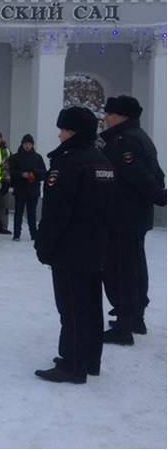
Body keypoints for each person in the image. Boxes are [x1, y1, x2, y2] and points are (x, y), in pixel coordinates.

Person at [34, 106, 115, 383]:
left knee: (71, 307)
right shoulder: (102, 160)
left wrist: (44, 245)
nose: (59, 134)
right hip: (96, 245)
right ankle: (90, 359)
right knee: (91, 304)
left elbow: (57, 211)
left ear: (73, 131)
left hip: (71, 247)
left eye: (63, 129)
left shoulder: (69, 162)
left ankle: (72, 364)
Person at [99, 95, 166, 344]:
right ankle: (135, 317)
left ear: (122, 116)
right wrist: (157, 194)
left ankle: (125, 325)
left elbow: (138, 176)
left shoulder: (123, 141)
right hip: (134, 215)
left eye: (110, 113)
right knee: (135, 266)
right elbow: (157, 173)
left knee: (120, 269)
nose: (106, 117)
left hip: (122, 215)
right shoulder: (142, 137)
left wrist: (159, 197)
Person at [8, 134, 46, 241]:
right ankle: (16, 234)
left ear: (32, 145)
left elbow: (44, 173)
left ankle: (34, 234)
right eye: (26, 144)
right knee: (18, 213)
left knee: (32, 214)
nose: (27, 146)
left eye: (29, 144)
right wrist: (21, 174)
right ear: (22, 144)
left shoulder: (38, 157)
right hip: (20, 189)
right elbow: (10, 172)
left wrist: (34, 173)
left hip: (33, 190)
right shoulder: (15, 157)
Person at [0, 130, 13, 234]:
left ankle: (3, 227)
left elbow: (12, 163)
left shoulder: (7, 150)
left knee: (4, 206)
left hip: (5, 181)